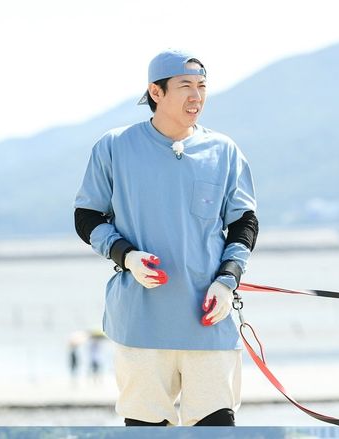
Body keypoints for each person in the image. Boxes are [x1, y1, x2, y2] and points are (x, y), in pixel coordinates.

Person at [74, 49, 258, 427]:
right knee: (146, 430)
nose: (196, 96)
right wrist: (126, 255)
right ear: (155, 92)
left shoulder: (223, 151)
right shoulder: (115, 146)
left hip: (208, 319)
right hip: (140, 324)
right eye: (185, 86)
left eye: (202, 86)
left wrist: (227, 280)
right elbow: (87, 216)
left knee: (216, 428)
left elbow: (244, 223)